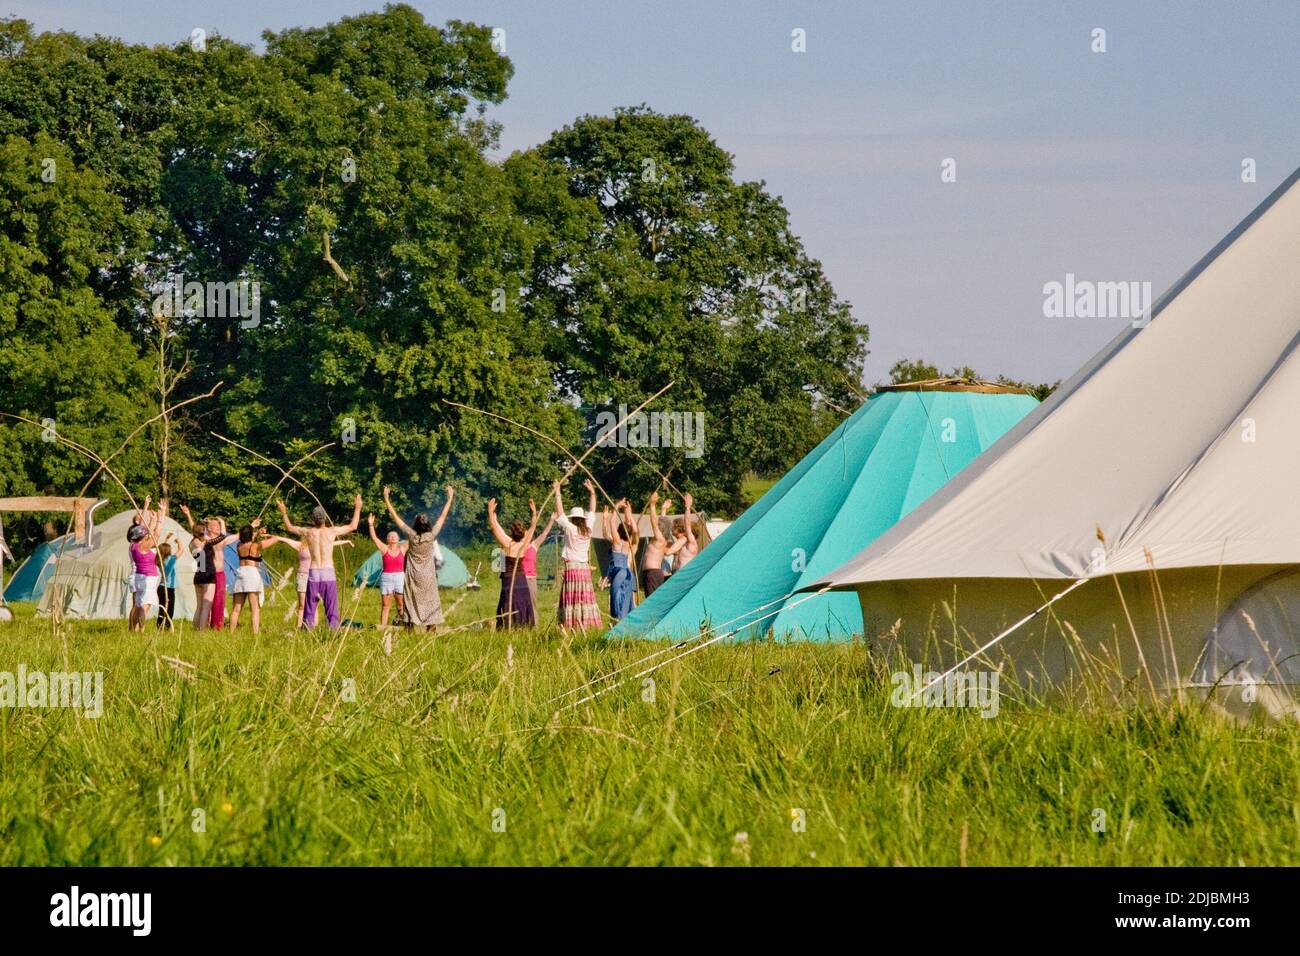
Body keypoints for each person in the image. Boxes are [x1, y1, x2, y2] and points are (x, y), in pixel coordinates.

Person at [276, 494, 362, 630]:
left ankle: (307, 631)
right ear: (325, 518)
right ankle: (333, 631)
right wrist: (357, 508)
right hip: (328, 573)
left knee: (310, 606)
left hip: (314, 572)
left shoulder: (308, 532)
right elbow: (353, 526)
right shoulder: (332, 531)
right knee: (331, 606)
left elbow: (290, 527)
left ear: (313, 519)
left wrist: (283, 512)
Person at [383, 485, 452, 631]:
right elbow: (442, 517)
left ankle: (409, 626)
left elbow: (396, 518)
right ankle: (431, 626)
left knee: (410, 599)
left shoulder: (411, 535)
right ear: (427, 524)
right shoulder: (431, 536)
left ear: (416, 524)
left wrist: (387, 499)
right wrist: (449, 498)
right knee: (430, 599)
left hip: (413, 573)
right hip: (428, 574)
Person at [553, 478, 602, 630]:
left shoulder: (571, 528)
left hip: (573, 566)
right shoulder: (588, 528)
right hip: (584, 567)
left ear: (573, 518)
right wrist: (592, 493)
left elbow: (560, 514)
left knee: (572, 596)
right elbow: (593, 511)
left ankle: (571, 623)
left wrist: (557, 492)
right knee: (583, 596)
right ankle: (585, 623)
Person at [488, 497, 539, 629]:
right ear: (523, 533)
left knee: (508, 602)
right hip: (521, 579)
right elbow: (533, 527)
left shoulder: (507, 544)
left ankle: (508, 626)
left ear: (512, 533)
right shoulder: (524, 544)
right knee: (522, 602)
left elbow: (495, 529)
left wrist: (490, 513)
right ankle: (523, 625)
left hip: (509, 579)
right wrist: (534, 512)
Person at [228, 519, 277, 634]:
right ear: (251, 535)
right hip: (251, 575)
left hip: (240, 574)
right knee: (254, 608)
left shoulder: (239, 545)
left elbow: (247, 538)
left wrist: (257, 532)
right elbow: (274, 540)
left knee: (236, 608)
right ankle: (255, 633)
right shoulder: (255, 546)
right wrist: (266, 535)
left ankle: (231, 632)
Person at [128, 497, 166, 631]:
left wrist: (152, 517)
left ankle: (135, 630)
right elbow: (156, 533)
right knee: (145, 606)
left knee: (138, 605)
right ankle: (141, 630)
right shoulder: (144, 546)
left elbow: (147, 530)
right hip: (148, 578)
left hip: (139, 577)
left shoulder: (133, 546)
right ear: (142, 536)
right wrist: (161, 515)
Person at [366, 513, 408, 628]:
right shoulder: (384, 548)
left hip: (399, 577)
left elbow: (413, 538)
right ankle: (383, 627)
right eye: (390, 536)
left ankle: (404, 625)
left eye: (395, 536)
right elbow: (374, 538)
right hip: (386, 578)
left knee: (401, 605)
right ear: (387, 539)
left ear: (398, 539)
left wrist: (419, 528)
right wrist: (371, 525)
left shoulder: (403, 548)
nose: (393, 537)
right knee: (385, 605)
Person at [603, 499, 639, 620]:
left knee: (617, 598)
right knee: (627, 599)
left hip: (619, 572)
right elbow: (635, 530)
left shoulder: (617, 542)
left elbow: (612, 523)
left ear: (619, 531)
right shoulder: (630, 543)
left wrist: (616, 508)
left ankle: (618, 621)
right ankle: (627, 621)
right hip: (628, 573)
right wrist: (629, 512)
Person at [522, 499, 555, 618]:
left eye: (528, 533)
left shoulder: (534, 545)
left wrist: (551, 520)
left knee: (532, 603)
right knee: (521, 603)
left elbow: (545, 533)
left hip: (531, 579)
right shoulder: (518, 547)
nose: (527, 535)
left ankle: (534, 624)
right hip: (520, 579)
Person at [640, 490, 670, 598]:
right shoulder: (659, 538)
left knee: (651, 599)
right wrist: (663, 509)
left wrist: (652, 505)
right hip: (651, 573)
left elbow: (654, 523)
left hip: (653, 573)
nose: (658, 524)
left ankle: (652, 616)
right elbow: (662, 523)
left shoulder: (660, 539)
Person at [666, 492, 700, 572]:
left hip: (686, 574)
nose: (685, 530)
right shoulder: (684, 543)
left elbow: (687, 524)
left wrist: (688, 507)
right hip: (679, 573)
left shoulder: (692, 542)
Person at [156, 535, 178, 630]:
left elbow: (161, 549)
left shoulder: (159, 559)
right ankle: (166, 626)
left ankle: (160, 625)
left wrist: (166, 539)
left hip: (161, 587)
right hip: (168, 588)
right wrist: (179, 541)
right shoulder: (171, 559)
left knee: (162, 608)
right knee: (169, 609)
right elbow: (181, 551)